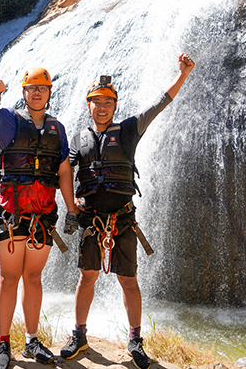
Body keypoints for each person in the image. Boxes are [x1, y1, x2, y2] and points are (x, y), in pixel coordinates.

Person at [59, 53, 196, 369]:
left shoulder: (130, 129)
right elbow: (63, 172)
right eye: (97, 101)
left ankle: (135, 341)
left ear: (115, 106)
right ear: (88, 104)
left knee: (129, 280)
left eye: (108, 101)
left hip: (123, 220)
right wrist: (70, 208)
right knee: (87, 277)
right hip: (91, 221)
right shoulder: (78, 139)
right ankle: (79, 336)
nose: (102, 106)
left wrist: (183, 74)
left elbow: (160, 104)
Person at [0, 67, 79, 369]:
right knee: (9, 278)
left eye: (42, 87)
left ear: (50, 92)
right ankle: (3, 343)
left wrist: (72, 210)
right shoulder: (7, 121)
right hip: (11, 217)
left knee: (34, 278)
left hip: (43, 217)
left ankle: (32, 340)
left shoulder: (58, 129)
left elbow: (64, 170)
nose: (37, 92)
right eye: (31, 87)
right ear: (24, 92)